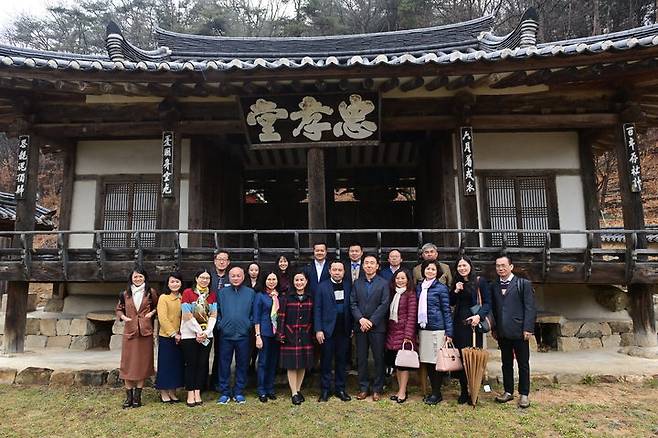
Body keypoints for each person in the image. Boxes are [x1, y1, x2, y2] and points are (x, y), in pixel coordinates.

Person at [491, 254, 536, 409]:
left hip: (520, 330)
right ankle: (508, 391)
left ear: (511, 267)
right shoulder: (494, 285)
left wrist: (528, 328)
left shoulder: (523, 284)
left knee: (523, 363)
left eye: (503, 265)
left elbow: (530, 308)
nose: (500, 268)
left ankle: (524, 394)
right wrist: (494, 328)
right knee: (506, 363)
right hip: (503, 332)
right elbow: (495, 310)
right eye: (498, 266)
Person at [450, 256, 491, 404]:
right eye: (459, 266)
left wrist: (479, 316)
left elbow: (487, 303)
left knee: (473, 358)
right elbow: (451, 302)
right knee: (461, 357)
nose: (462, 268)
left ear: (470, 266)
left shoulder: (480, 281)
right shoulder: (457, 282)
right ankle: (463, 391)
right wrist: (455, 290)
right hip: (459, 325)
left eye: (464, 265)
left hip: (473, 325)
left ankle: (474, 390)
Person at [116, 268, 159, 409]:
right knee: (127, 364)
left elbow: (157, 307)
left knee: (142, 364)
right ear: (131, 278)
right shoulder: (125, 293)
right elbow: (119, 309)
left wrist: (151, 314)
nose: (138, 279)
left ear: (145, 278)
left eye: (140, 276)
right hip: (130, 332)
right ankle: (128, 397)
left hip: (145, 332)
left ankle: (137, 397)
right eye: (135, 277)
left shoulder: (150, 292)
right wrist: (124, 317)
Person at [350, 254, 389, 401]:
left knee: (379, 358)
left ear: (377, 266)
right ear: (363, 266)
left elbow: (384, 304)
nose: (369, 265)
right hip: (360, 326)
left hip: (377, 327)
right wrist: (361, 319)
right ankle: (363, 387)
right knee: (361, 358)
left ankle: (378, 388)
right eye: (366, 263)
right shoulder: (357, 283)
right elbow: (352, 303)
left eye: (372, 263)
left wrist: (371, 321)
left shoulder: (383, 283)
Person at [314, 260, 352, 402]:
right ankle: (325, 390)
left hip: (344, 329)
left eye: (339, 270)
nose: (337, 272)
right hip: (327, 330)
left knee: (342, 361)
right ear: (329, 271)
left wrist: (352, 327)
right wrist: (318, 329)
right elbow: (317, 309)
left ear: (344, 271)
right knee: (326, 361)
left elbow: (352, 306)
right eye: (334, 270)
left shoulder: (348, 285)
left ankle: (340, 389)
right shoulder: (322, 287)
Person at [216, 267, 255, 405]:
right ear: (229, 277)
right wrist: (220, 324)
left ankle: (239, 392)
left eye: (238, 275)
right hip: (226, 335)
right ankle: (225, 392)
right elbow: (217, 311)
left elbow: (253, 312)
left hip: (243, 335)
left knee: (242, 364)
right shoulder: (222, 293)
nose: (236, 278)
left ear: (243, 277)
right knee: (224, 364)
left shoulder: (250, 293)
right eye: (233, 276)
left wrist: (248, 324)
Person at [416, 260, 453, 405]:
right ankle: (432, 391)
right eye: (427, 269)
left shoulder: (441, 288)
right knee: (427, 362)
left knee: (436, 362)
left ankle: (437, 393)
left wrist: (449, 332)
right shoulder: (419, 287)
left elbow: (446, 311)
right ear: (423, 270)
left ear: (437, 272)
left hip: (437, 328)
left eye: (433, 269)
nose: (430, 271)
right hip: (424, 328)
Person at [180, 269, 217, 407]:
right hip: (189, 335)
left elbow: (213, 315)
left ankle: (197, 391)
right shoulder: (188, 293)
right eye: (202, 277)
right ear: (196, 278)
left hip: (207, 334)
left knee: (202, 364)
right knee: (191, 364)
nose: (204, 280)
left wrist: (206, 332)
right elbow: (187, 314)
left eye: (207, 278)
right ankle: (190, 392)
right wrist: (198, 331)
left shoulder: (212, 296)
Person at [277, 271, 315, 405]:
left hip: (306, 334)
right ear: (293, 282)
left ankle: (298, 390)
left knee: (302, 364)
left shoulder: (310, 297)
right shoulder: (286, 298)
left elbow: (313, 317)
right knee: (292, 365)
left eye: (301, 280)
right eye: (296, 280)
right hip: (290, 334)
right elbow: (281, 317)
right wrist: (281, 334)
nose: (299, 282)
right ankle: (293, 392)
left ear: (306, 281)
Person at [385, 269, 417, 404]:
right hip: (392, 332)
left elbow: (411, 316)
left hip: (404, 333)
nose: (400, 280)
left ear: (408, 280)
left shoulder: (410, 294)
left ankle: (403, 392)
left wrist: (408, 335)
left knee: (403, 365)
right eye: (397, 278)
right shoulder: (392, 293)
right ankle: (399, 389)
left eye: (403, 278)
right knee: (397, 363)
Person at [155, 272, 184, 403]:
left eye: (177, 281)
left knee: (176, 365)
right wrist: (173, 334)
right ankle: (163, 392)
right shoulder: (164, 298)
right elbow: (163, 318)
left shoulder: (183, 298)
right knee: (165, 365)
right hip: (167, 336)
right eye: (172, 281)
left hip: (181, 336)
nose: (175, 284)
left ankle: (172, 391)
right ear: (167, 283)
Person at [253, 270, 281, 402]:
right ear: (264, 280)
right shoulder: (260, 296)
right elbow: (256, 317)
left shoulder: (279, 296)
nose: (271, 282)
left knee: (273, 362)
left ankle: (270, 388)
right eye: (269, 279)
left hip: (276, 333)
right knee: (263, 362)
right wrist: (257, 335)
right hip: (264, 332)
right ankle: (261, 390)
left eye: (274, 279)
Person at [210, 250, 231, 390]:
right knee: (204, 350)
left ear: (228, 262)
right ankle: (201, 382)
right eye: (219, 259)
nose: (222, 262)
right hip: (207, 318)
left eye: (224, 259)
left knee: (220, 351)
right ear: (215, 261)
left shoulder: (231, 277)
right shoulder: (209, 277)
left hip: (224, 319)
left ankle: (217, 381)